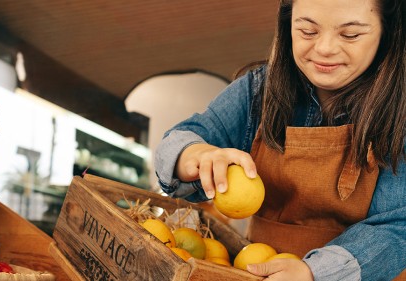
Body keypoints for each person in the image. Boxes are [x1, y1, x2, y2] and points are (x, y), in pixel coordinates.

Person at [154, 0, 405, 280]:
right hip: (255, 271)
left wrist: (315, 272)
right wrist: (195, 155)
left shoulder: (400, 111)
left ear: (387, 31)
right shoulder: (260, 91)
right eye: (307, 31)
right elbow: (179, 139)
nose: (324, 48)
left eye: (350, 35)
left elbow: (399, 226)